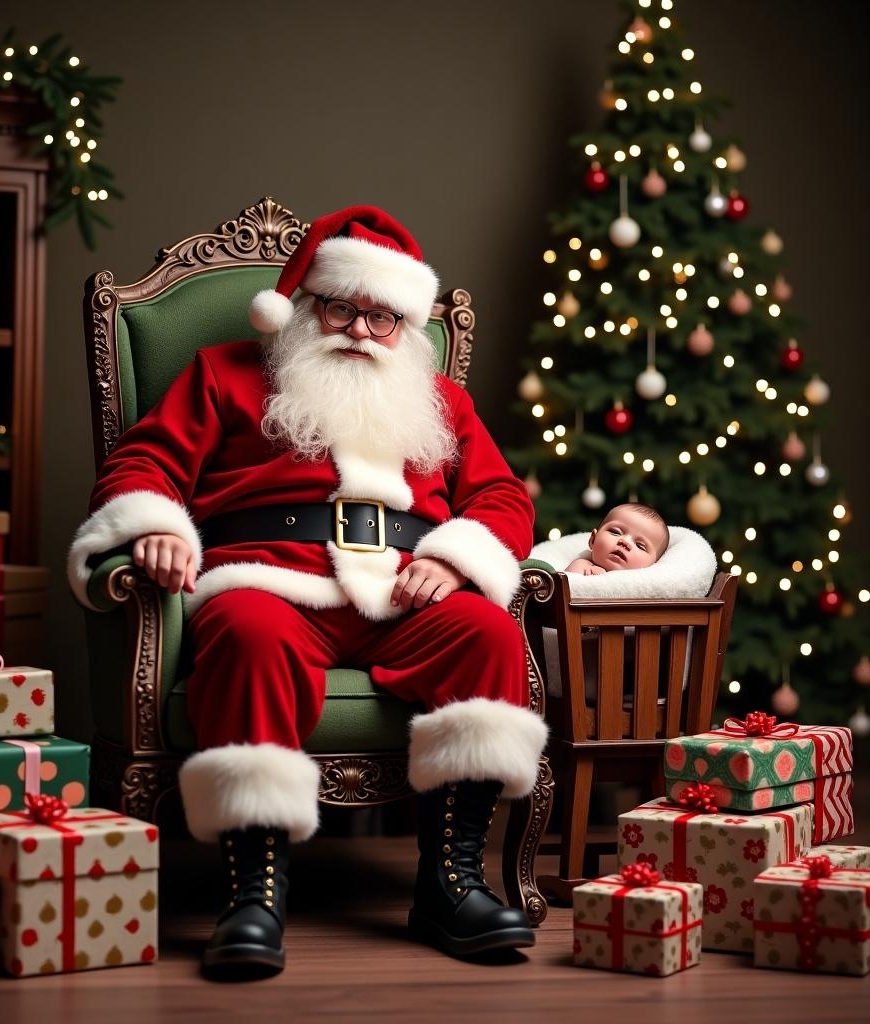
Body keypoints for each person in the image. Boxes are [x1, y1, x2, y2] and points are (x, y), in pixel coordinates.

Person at [68, 206, 548, 975]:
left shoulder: (439, 402)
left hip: (405, 592)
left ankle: (450, 885)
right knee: (248, 634)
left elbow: (502, 500)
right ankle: (253, 897)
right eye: (343, 307)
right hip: (271, 580)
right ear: (307, 307)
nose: (361, 330)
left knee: (488, 635)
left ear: (407, 327)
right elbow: (142, 464)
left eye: (384, 317)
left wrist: (459, 560)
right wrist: (154, 526)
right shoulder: (226, 372)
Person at [564, 503, 669, 575]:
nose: (625, 542)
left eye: (640, 546)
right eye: (615, 532)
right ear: (593, 540)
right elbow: (568, 586)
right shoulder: (582, 564)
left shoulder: (646, 584)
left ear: (654, 564)